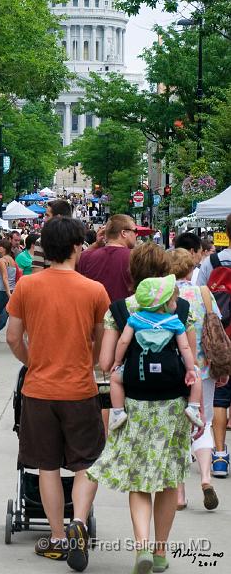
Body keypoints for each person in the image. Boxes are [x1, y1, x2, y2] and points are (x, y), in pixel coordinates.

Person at [7, 217, 109, 569]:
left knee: (47, 466)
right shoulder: (94, 290)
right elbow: (100, 342)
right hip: (80, 389)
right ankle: (78, 520)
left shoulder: (27, 287)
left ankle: (58, 538)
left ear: (44, 249)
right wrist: (89, 363)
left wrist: (32, 360)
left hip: (39, 390)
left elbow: (11, 338)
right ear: (77, 246)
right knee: (87, 462)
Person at [87, 242, 196, 574]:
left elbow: (106, 362)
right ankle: (161, 552)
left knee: (139, 480)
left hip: (134, 405)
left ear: (132, 272)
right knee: (167, 479)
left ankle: (142, 547)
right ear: (166, 272)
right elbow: (191, 359)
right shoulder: (180, 308)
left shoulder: (119, 310)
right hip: (174, 406)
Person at [168, 248, 227, 510]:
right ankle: (205, 477)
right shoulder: (204, 293)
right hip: (204, 369)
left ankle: (180, 494)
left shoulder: (166, 296)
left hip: (174, 370)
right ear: (192, 269)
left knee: (177, 429)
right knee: (203, 422)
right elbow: (217, 326)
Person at [108, 274, 203, 432]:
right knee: (197, 377)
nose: (175, 304)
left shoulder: (134, 319)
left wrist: (117, 362)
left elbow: (123, 341)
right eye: (173, 301)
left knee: (115, 379)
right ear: (165, 304)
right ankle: (193, 407)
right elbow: (185, 348)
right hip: (171, 372)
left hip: (138, 374)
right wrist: (191, 369)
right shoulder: (174, 322)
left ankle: (118, 412)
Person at [196, 213, 231, 478]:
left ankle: (219, 455)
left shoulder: (212, 262)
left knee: (220, 398)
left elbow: (199, 301)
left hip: (221, 339)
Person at [78, 214, 137, 301]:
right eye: (134, 231)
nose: (136, 235)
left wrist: (96, 245)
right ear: (123, 233)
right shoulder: (137, 258)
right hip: (125, 313)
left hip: (94, 313)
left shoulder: (86, 256)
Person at [31, 199, 73, 272]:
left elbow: (36, 273)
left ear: (58, 218)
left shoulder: (42, 242)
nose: (45, 219)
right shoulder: (80, 242)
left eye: (47, 216)